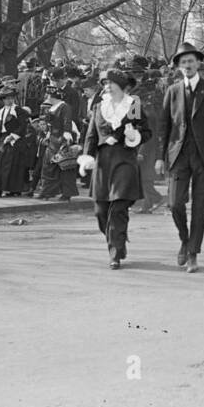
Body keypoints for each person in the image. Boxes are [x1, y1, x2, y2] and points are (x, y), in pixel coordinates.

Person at [155, 41, 204, 273]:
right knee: (175, 203)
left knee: (200, 206)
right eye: (183, 62)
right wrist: (159, 156)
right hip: (178, 155)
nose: (187, 65)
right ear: (178, 66)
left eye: (191, 61)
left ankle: (193, 253)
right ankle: (185, 240)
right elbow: (164, 126)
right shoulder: (172, 91)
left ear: (198, 63)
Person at [83, 68, 153, 268]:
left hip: (124, 159)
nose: (107, 87)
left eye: (111, 83)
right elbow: (91, 135)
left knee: (118, 207)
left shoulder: (133, 105)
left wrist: (133, 135)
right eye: (105, 84)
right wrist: (87, 156)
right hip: (103, 163)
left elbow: (146, 132)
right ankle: (118, 239)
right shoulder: (98, 107)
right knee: (100, 211)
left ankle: (115, 252)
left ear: (121, 86)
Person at [0, 85, 31, 197]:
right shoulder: (0, 111)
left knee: (13, 165)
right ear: (3, 99)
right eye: (7, 98)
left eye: (11, 98)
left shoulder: (18, 110)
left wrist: (13, 136)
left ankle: (13, 189)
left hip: (15, 141)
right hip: (4, 139)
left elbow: (23, 125)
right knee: (1, 164)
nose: (10, 100)